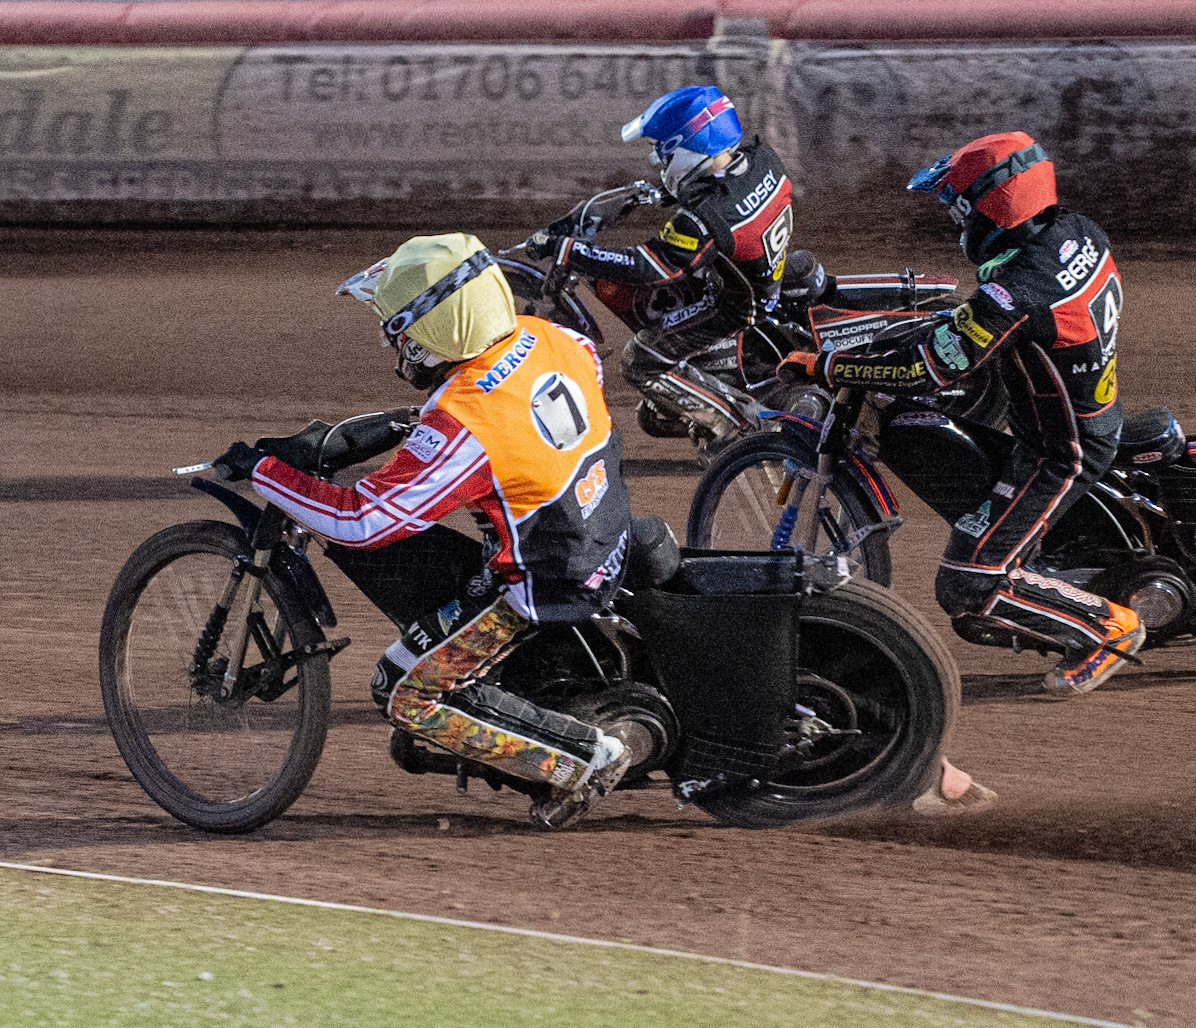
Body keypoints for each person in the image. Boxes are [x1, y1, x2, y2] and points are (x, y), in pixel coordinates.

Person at [213, 232, 634, 822]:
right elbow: (515, 423)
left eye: (398, 325)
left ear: (432, 329)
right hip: (603, 531)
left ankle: (580, 762)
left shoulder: (464, 423)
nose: (394, 337)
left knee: (402, 690)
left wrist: (264, 472)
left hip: (542, 580)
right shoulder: (557, 339)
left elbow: (361, 522)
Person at [779, 132, 1145, 697]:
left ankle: (1107, 628)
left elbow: (926, 371)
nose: (957, 223)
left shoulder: (1019, 290)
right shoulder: (1076, 233)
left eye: (960, 208)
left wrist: (828, 368)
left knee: (966, 583)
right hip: (1068, 409)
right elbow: (982, 330)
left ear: (996, 204)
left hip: (1060, 449)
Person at [526, 84, 803, 453]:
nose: (659, 158)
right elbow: (723, 186)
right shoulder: (762, 158)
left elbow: (646, 266)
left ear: (691, 145)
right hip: (756, 273)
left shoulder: (705, 219)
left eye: (664, 150)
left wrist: (571, 252)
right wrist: (659, 193)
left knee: (640, 359)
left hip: (734, 308)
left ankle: (739, 425)